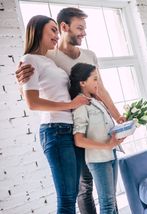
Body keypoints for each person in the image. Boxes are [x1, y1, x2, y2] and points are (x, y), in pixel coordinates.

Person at [16, 8, 125, 213]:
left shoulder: (76, 57)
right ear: (65, 27)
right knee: (78, 191)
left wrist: (117, 115)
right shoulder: (46, 56)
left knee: (91, 188)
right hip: (64, 129)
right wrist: (19, 80)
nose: (84, 33)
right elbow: (31, 95)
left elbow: (99, 89)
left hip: (80, 127)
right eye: (80, 28)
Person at [20, 15, 90, 213]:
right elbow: (32, 102)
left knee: (73, 192)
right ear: (37, 30)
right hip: (55, 130)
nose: (56, 35)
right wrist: (70, 104)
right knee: (67, 198)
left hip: (69, 129)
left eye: (57, 31)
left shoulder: (47, 60)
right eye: (52, 30)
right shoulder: (29, 60)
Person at [69, 63, 124, 214]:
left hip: (111, 154)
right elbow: (78, 140)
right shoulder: (80, 105)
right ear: (82, 83)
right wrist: (107, 145)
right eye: (94, 79)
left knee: (112, 203)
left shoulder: (96, 101)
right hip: (98, 159)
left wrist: (121, 131)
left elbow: (105, 129)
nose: (97, 83)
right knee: (107, 204)